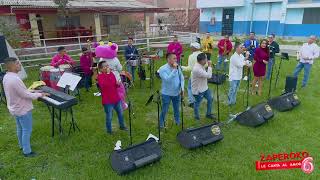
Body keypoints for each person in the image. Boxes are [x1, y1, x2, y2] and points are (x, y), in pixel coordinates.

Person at [3, 57, 48, 157]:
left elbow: (21, 92)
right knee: (27, 130)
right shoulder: (14, 79)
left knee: (20, 128)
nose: (20, 65)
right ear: (12, 66)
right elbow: (25, 95)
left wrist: (34, 91)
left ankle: (22, 145)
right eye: (18, 63)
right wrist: (40, 95)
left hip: (15, 108)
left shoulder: (7, 76)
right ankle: (27, 151)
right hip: (22, 109)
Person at [97, 61, 127, 134]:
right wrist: (107, 74)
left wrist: (117, 84)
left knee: (120, 113)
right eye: (105, 66)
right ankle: (109, 131)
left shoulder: (112, 74)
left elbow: (113, 84)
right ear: (101, 69)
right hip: (108, 101)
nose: (108, 67)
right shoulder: (100, 77)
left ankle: (122, 126)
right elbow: (104, 85)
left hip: (116, 98)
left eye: (108, 66)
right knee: (109, 116)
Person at [158, 53, 184, 128]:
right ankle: (161, 124)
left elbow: (181, 78)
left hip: (177, 93)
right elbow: (167, 79)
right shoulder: (162, 69)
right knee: (164, 110)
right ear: (168, 59)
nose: (176, 60)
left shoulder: (177, 67)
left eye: (176, 58)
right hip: (166, 94)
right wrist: (174, 70)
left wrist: (182, 88)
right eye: (174, 58)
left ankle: (177, 122)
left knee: (176, 109)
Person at [191, 53, 215, 120]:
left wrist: (208, 65)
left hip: (205, 88)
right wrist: (210, 66)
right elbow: (209, 76)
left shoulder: (201, 64)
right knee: (197, 104)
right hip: (198, 90)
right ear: (201, 61)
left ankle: (208, 114)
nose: (207, 60)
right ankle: (197, 117)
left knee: (210, 99)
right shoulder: (197, 69)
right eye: (206, 59)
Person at [181, 42, 202, 108]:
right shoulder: (203, 54)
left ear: (194, 48)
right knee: (199, 88)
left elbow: (190, 68)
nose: (191, 48)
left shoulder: (191, 56)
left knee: (190, 88)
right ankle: (198, 100)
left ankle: (192, 101)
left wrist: (181, 67)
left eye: (191, 47)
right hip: (202, 74)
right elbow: (206, 65)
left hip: (194, 75)